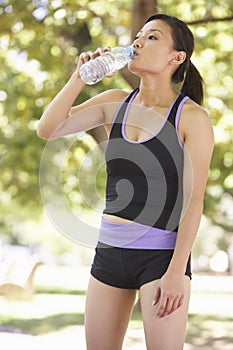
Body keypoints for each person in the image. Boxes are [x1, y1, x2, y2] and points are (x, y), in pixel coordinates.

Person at [37, 13, 214, 350]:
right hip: (109, 253)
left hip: (161, 259)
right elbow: (48, 129)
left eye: (153, 37)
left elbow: (194, 199)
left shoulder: (191, 117)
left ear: (177, 58)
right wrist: (79, 77)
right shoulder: (115, 101)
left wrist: (177, 273)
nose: (138, 41)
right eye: (139, 35)